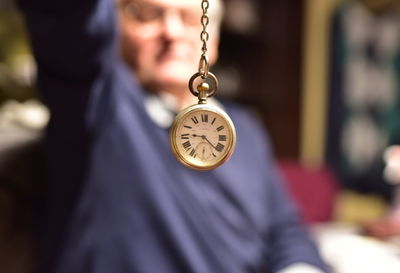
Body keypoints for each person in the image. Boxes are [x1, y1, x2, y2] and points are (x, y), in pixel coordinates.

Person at [18, 0, 329, 272]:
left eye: (191, 18)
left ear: (214, 39)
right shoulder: (99, 103)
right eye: (150, 15)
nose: (172, 32)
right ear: (119, 27)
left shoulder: (245, 129)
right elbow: (67, 16)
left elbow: (284, 228)